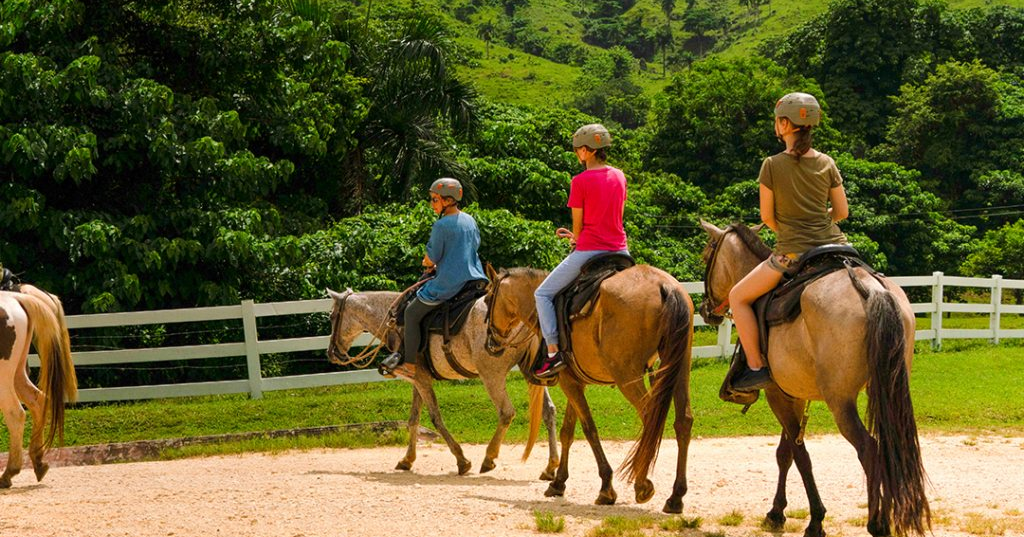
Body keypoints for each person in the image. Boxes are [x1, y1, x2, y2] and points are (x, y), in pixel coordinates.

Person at [730, 92, 850, 391]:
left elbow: (767, 217)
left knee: (738, 297)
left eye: (777, 120)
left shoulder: (771, 165)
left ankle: (755, 367)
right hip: (837, 248)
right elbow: (842, 212)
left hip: (792, 252)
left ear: (785, 124)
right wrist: (819, 220)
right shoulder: (827, 162)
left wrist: (790, 229)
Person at [532, 124, 630, 378]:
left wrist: (575, 238)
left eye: (578, 149)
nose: (577, 153)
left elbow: (579, 224)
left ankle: (553, 353)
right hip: (621, 251)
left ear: (587, 151)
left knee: (542, 294)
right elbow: (618, 217)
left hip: (590, 251)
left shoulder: (580, 181)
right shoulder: (620, 176)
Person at [380, 178, 488, 378]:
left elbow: (431, 258)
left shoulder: (441, 225)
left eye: (434, 199)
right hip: (475, 280)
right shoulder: (470, 220)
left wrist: (428, 262)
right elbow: (470, 248)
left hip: (449, 283)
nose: (432, 204)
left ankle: (409, 364)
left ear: (448, 200)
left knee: (411, 313)